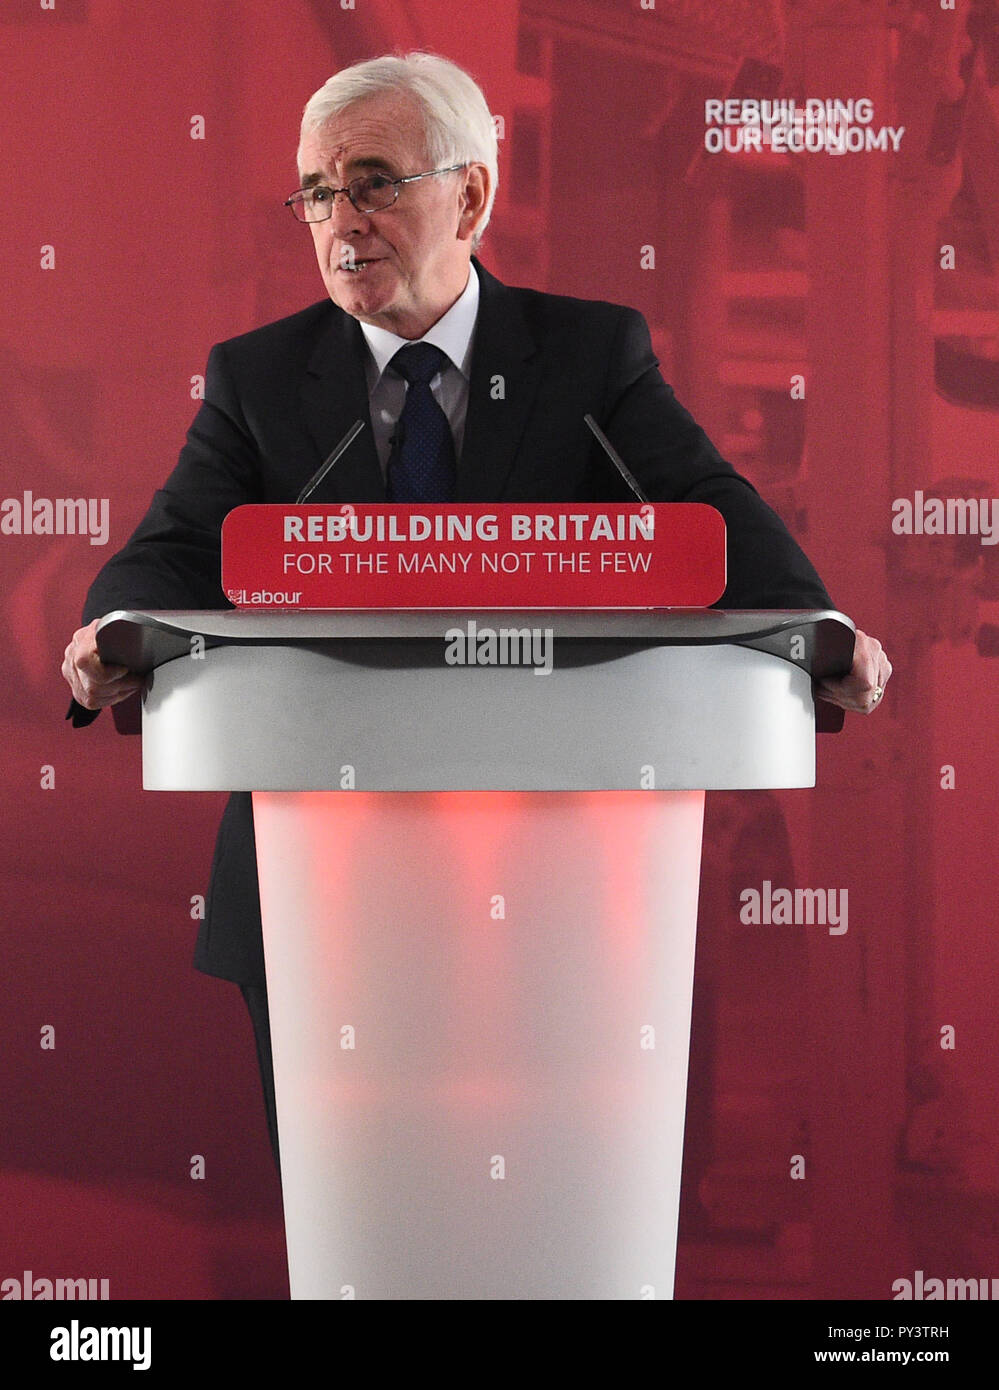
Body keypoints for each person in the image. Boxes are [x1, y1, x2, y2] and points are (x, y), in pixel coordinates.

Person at [61, 53, 892, 1165]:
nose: (338, 219)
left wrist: (818, 630)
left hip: (563, 895)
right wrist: (112, 631)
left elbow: (708, 514)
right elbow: (171, 550)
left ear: (473, 196)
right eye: (315, 191)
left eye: (370, 181)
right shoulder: (259, 378)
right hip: (321, 903)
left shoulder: (590, 357)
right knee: (365, 1210)